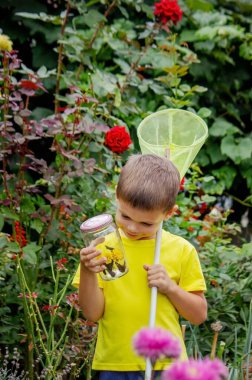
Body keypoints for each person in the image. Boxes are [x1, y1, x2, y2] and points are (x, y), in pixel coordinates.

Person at [72, 154, 207, 380]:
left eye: (146, 223)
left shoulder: (181, 250)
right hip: (115, 364)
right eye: (125, 216)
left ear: (169, 213)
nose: (133, 228)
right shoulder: (102, 248)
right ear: (117, 195)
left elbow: (198, 315)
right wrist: (87, 271)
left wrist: (170, 288)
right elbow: (92, 313)